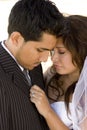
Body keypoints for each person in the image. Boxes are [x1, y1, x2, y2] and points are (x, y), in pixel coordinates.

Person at [0, 0, 64, 130]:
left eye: (49, 51)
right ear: (16, 38)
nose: (45, 59)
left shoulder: (34, 66)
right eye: (40, 50)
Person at [30, 15, 87, 130]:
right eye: (52, 51)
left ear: (81, 50)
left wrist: (48, 112)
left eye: (61, 52)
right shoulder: (51, 74)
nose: (53, 58)